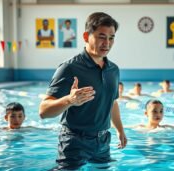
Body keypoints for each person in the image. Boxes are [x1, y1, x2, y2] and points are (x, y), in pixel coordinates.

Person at [39, 12, 127, 170]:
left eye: (111, 37)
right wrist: (69, 100)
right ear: (86, 36)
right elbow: (43, 111)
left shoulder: (113, 69)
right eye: (101, 36)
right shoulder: (69, 68)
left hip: (103, 141)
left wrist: (120, 130)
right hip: (74, 141)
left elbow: (112, 102)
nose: (107, 43)